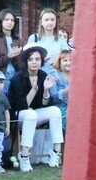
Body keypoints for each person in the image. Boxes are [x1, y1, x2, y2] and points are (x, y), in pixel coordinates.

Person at [8, 44, 63, 172]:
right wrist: (33, 90)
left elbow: (45, 104)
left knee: (55, 111)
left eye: (37, 59)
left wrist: (46, 90)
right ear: (26, 61)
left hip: (35, 113)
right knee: (30, 114)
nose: (34, 62)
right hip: (19, 114)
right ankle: (24, 156)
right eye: (31, 59)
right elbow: (22, 106)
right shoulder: (18, 78)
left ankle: (56, 153)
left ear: (41, 61)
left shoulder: (43, 75)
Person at [0, 9, 23, 97]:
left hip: (15, 76)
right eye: (6, 20)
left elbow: (21, 64)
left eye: (12, 20)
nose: (10, 22)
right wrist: (9, 56)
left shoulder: (18, 40)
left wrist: (16, 57)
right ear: (1, 21)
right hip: (0, 78)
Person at [26, 8, 71, 75]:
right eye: (46, 20)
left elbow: (67, 60)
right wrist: (41, 60)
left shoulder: (62, 41)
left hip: (56, 77)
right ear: (41, 22)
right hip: (37, 77)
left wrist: (57, 63)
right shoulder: (34, 38)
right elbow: (27, 59)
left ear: (56, 22)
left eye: (52, 20)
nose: (50, 22)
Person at [51, 48, 71, 133]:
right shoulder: (53, 75)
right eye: (65, 60)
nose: (68, 63)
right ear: (59, 62)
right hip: (60, 108)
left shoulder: (79, 75)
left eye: (71, 60)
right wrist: (66, 91)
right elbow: (51, 98)